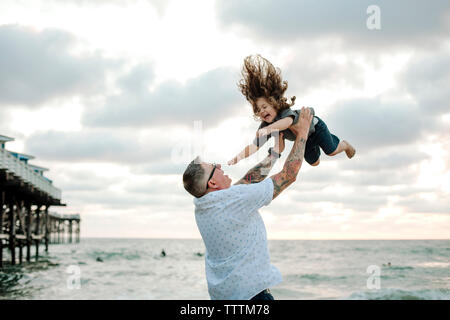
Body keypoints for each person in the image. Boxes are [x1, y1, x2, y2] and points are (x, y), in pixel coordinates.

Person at [182, 107, 313, 300]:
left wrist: (274, 154)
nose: (219, 165)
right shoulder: (232, 200)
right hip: (253, 297)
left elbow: (246, 183)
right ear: (212, 183)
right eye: (214, 167)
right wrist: (302, 133)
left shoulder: (204, 205)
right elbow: (288, 175)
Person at [228, 54, 355, 167]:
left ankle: (344, 144)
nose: (261, 111)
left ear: (274, 103)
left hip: (316, 128)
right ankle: (317, 145)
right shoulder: (265, 126)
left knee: (331, 151)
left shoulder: (284, 112)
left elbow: (288, 123)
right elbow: (254, 147)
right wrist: (238, 157)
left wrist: (268, 130)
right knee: (315, 163)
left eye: (264, 107)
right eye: (257, 110)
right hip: (304, 139)